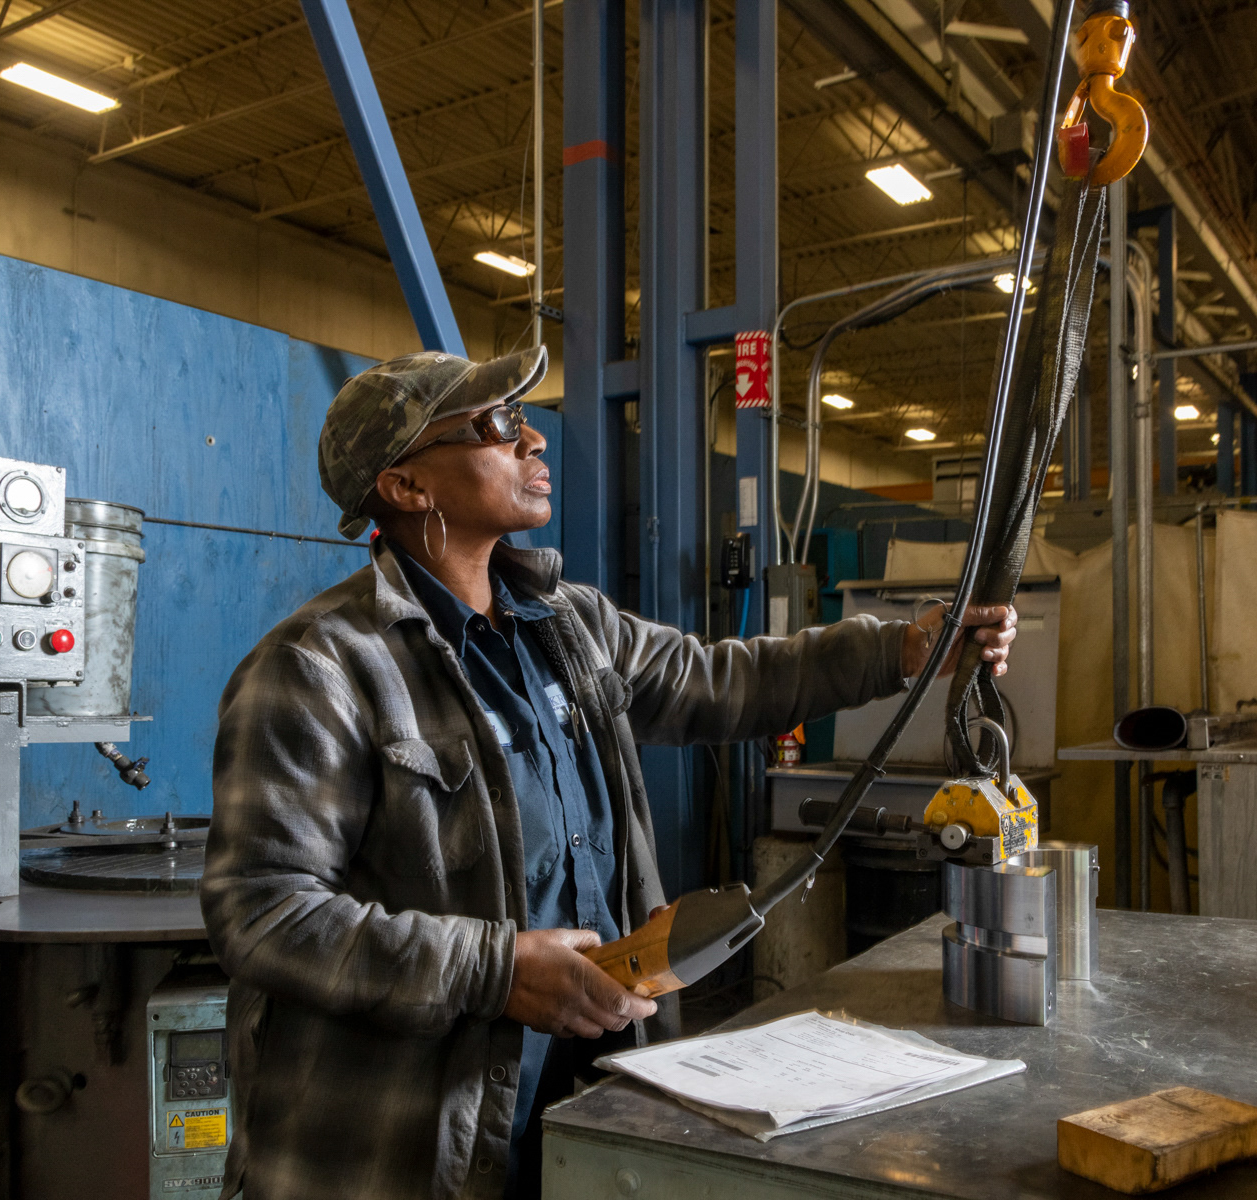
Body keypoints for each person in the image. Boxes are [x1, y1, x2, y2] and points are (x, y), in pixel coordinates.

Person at [201, 345, 1017, 1200]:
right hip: (404, 1148)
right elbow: (260, 912)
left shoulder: (568, 625)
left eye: (524, 419)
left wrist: (905, 649)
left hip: (587, 1099)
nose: (533, 442)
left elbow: (728, 680)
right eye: (496, 425)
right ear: (408, 487)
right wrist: (495, 970)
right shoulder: (319, 668)